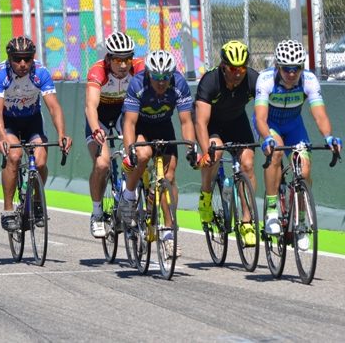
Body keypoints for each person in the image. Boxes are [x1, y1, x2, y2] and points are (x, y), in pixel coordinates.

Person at [255, 40, 342, 248]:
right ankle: (271, 211)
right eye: (286, 69)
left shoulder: (309, 80)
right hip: (271, 125)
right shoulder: (265, 79)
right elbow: (260, 118)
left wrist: (329, 137)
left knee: (303, 170)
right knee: (275, 153)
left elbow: (320, 115)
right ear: (278, 66)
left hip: (294, 126)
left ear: (302, 67)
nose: (291, 73)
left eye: (296, 69)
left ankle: (301, 223)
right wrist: (266, 137)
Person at [120, 50, 199, 258]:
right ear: (148, 74)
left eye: (166, 77)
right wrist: (130, 152)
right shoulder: (137, 84)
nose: (162, 82)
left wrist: (191, 147)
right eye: (157, 77)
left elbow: (186, 121)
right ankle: (128, 195)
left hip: (164, 127)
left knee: (169, 176)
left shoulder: (179, 84)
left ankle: (169, 233)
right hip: (141, 128)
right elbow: (129, 122)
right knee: (143, 155)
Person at [0, 35, 73, 231]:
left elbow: (53, 107)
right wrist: (2, 138)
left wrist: (62, 133)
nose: (23, 63)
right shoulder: (0, 74)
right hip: (8, 122)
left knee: (41, 160)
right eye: (18, 59)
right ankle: (8, 210)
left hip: (32, 120)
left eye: (27, 58)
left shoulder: (41, 73)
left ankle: (36, 201)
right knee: (14, 156)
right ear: (10, 59)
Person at [194, 40, 259, 246]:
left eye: (242, 68)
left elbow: (264, 110)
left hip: (237, 122)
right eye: (233, 68)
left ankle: (246, 221)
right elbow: (201, 122)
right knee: (215, 155)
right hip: (213, 125)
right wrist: (206, 153)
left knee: (247, 164)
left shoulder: (253, 79)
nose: (238, 73)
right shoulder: (210, 81)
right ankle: (205, 195)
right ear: (223, 66)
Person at [85, 31, 144, 238]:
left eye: (127, 59)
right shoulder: (97, 71)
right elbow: (91, 106)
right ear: (109, 59)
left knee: (138, 154)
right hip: (99, 116)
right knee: (102, 164)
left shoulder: (139, 68)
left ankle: (132, 197)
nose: (123, 65)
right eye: (118, 60)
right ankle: (97, 212)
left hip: (123, 114)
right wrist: (95, 129)